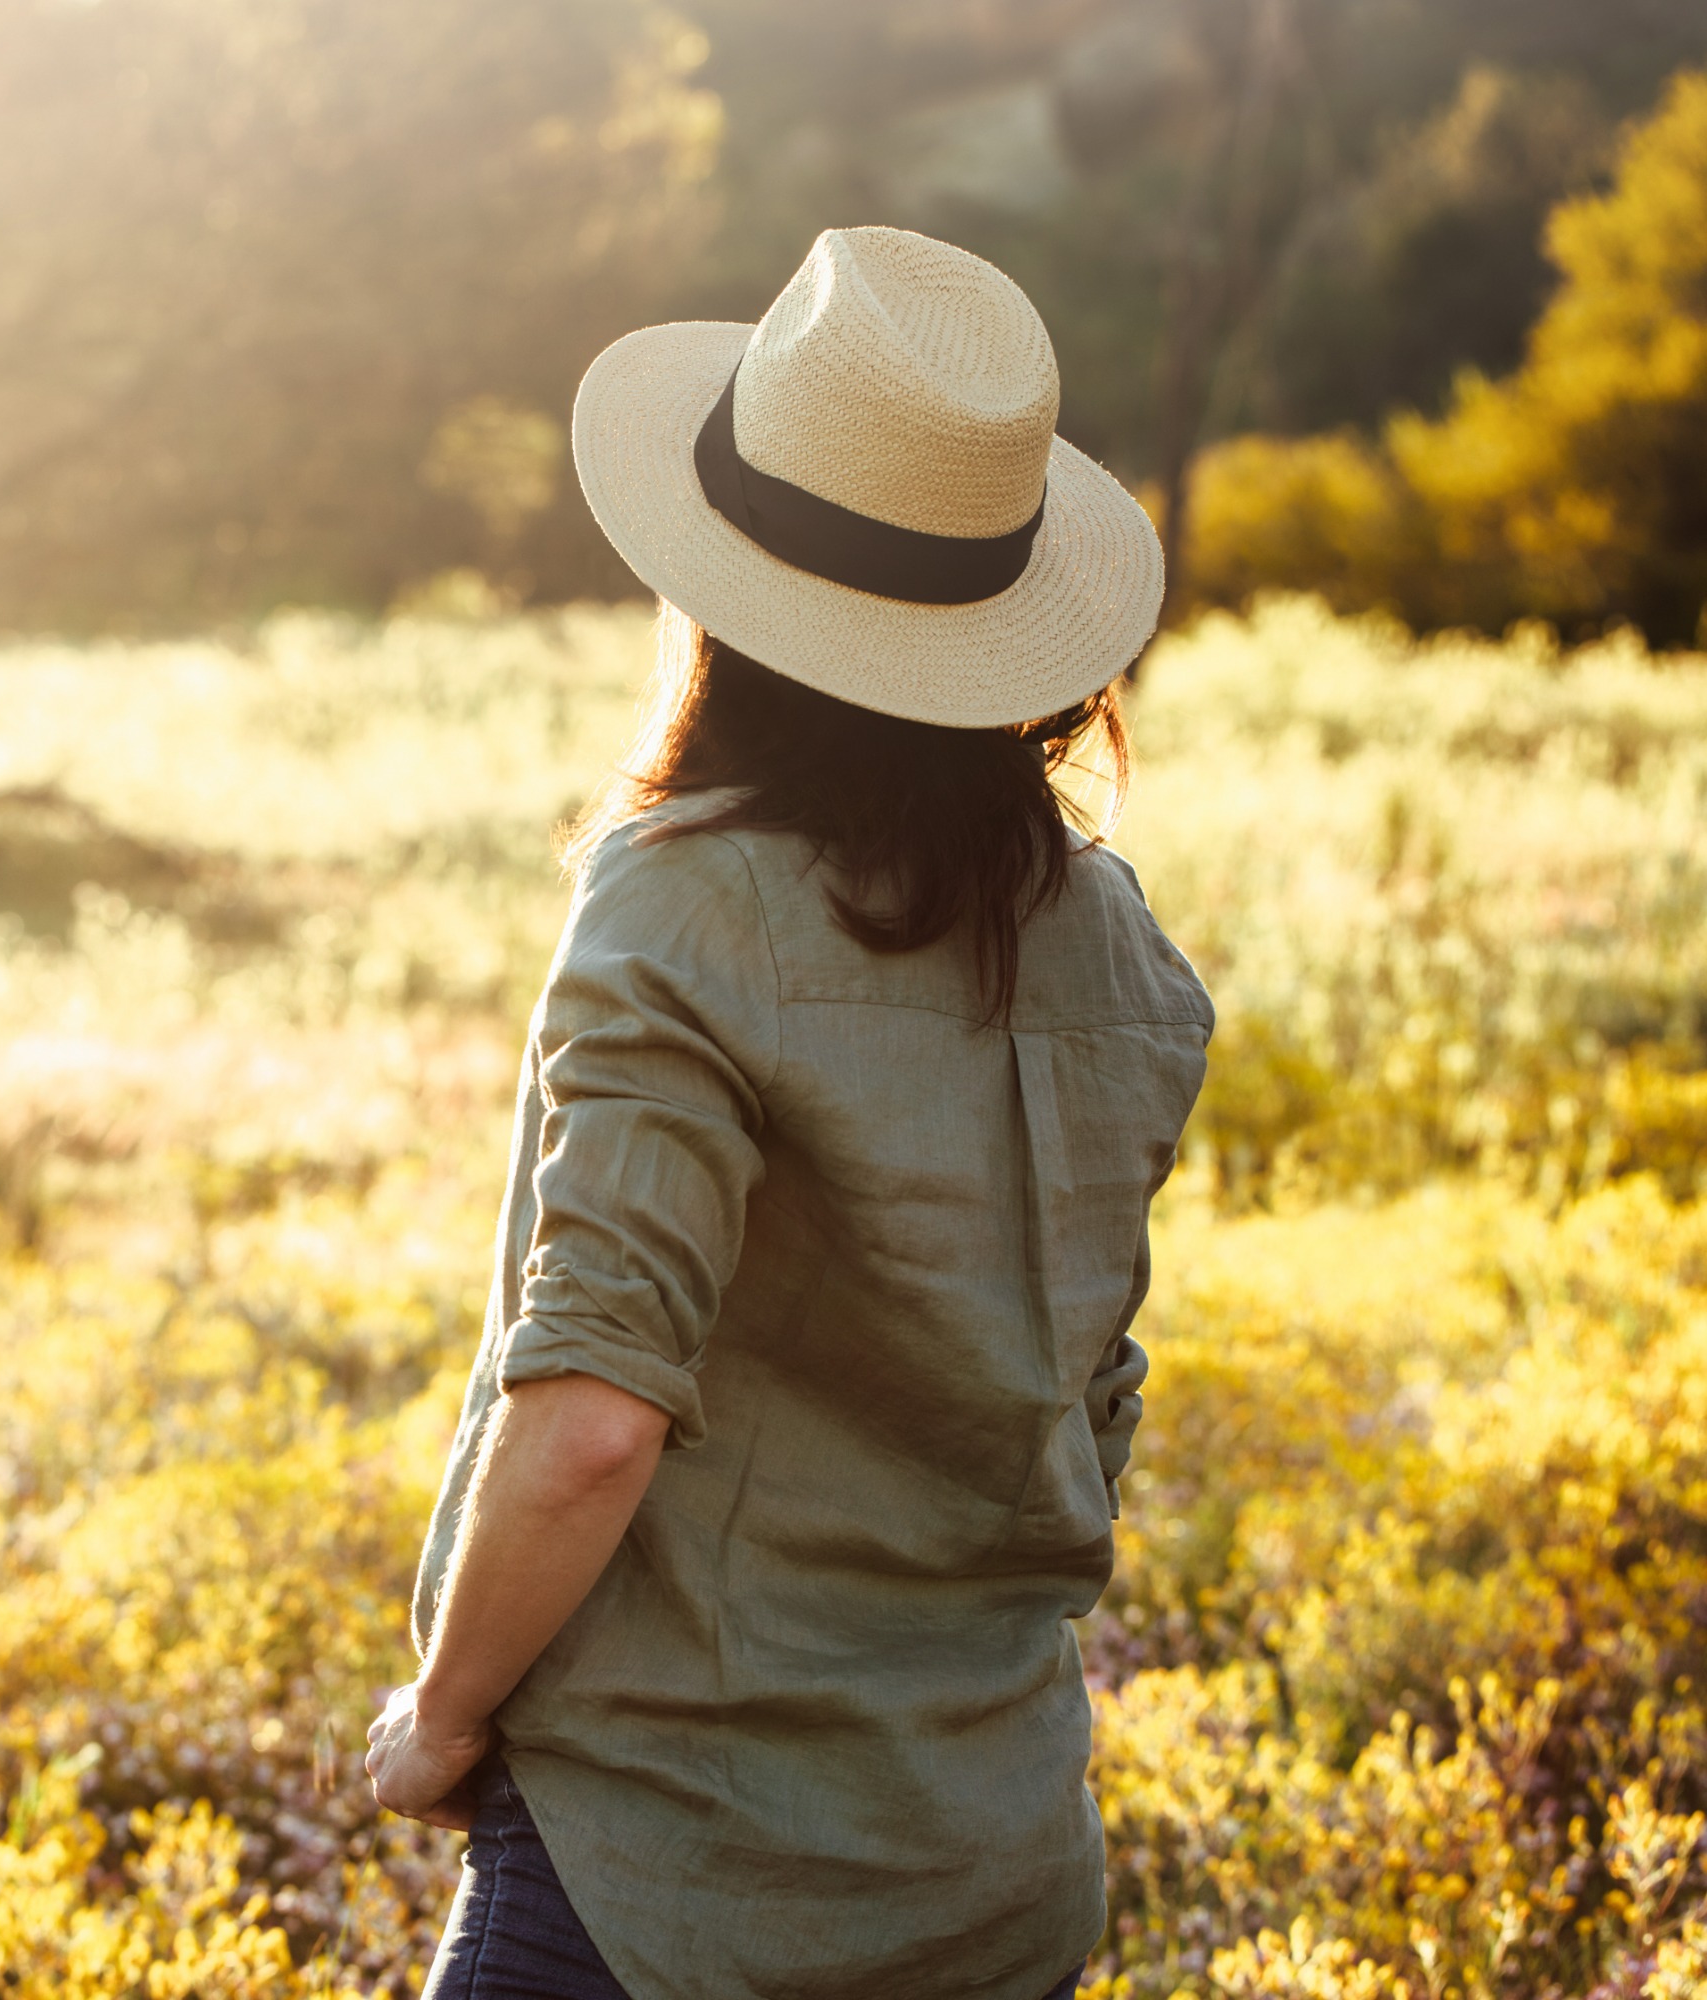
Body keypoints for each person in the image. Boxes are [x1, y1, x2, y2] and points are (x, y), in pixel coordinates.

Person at [363, 225, 1212, 2000]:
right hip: (995, 1869)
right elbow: (1088, 1411)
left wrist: (437, 1720)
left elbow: (592, 1415)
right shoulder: (1117, 943)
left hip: (666, 1869)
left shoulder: (676, 897)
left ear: (723, 588)